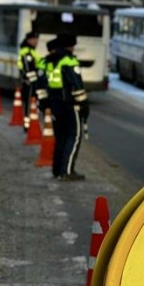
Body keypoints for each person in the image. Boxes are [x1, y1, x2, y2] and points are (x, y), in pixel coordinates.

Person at [42, 35, 89, 181]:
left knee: (61, 138)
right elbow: (76, 85)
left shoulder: (49, 62)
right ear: (70, 46)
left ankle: (57, 170)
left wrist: (45, 104)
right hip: (71, 105)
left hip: (56, 105)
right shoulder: (69, 61)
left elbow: (44, 85)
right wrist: (84, 104)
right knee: (74, 136)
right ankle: (67, 171)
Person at [17, 31, 41, 133]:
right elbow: (28, 70)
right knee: (29, 104)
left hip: (32, 82)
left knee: (32, 103)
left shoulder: (31, 51)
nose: (36, 42)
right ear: (29, 40)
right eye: (34, 39)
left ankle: (31, 124)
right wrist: (33, 80)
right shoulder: (26, 52)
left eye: (37, 40)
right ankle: (28, 126)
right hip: (29, 83)